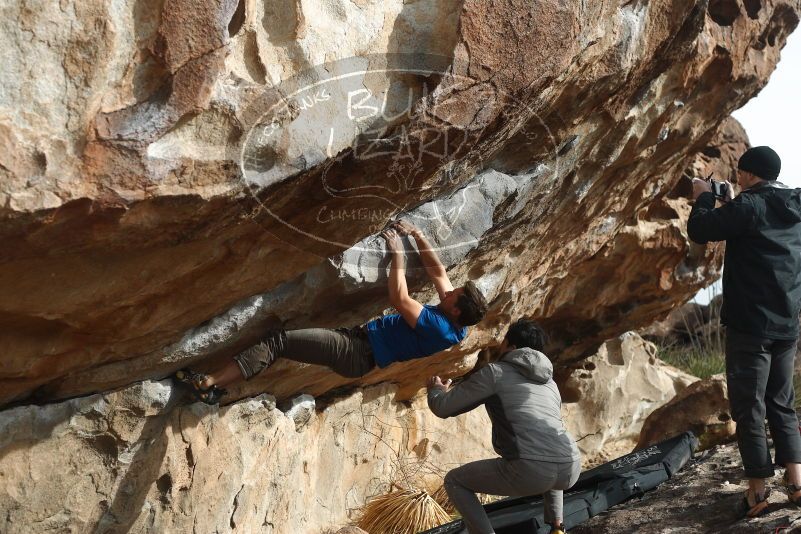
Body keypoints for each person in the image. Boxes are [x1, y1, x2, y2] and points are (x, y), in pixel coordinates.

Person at [176, 220, 488, 403]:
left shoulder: (439, 328)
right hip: (356, 343)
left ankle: (209, 383)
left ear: (457, 311)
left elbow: (400, 297)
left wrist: (398, 254)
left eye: (454, 295)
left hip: (355, 352)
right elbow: (438, 271)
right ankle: (213, 385)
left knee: (278, 342)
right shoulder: (457, 320)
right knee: (280, 342)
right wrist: (417, 235)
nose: (448, 291)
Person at [687, 146, 801, 518]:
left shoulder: (749, 206)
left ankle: (757, 492)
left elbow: (701, 230)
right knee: (780, 403)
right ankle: (796, 483)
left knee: (749, 406)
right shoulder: (795, 204)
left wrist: (703, 198)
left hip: (751, 326)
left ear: (749, 174)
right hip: (787, 323)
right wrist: (735, 202)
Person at [427, 319, 581, 534]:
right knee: (546, 449)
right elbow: (546, 444)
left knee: (455, 481)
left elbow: (443, 408)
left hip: (531, 470)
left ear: (511, 346)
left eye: (503, 342)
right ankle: (557, 528)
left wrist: (436, 390)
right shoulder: (550, 383)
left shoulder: (496, 372)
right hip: (570, 468)